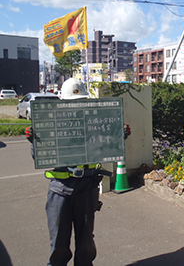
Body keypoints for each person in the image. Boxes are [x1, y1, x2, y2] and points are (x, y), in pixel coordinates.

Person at [26, 78, 131, 266]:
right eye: (71, 102)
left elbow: (107, 146)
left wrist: (119, 135)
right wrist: (36, 141)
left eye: (78, 101)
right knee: (58, 244)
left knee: (85, 244)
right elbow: (39, 157)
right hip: (59, 190)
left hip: (86, 188)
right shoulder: (53, 122)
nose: (75, 106)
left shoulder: (93, 122)